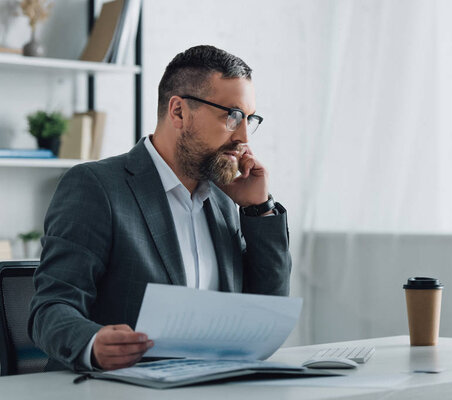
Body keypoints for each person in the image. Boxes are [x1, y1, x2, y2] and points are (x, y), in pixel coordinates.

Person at [28, 45, 292, 372]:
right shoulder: (96, 187)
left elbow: (265, 315)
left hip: (210, 388)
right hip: (116, 390)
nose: (243, 137)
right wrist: (93, 343)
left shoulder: (226, 200)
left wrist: (259, 210)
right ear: (178, 111)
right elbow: (50, 308)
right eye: (232, 116)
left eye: (249, 120)